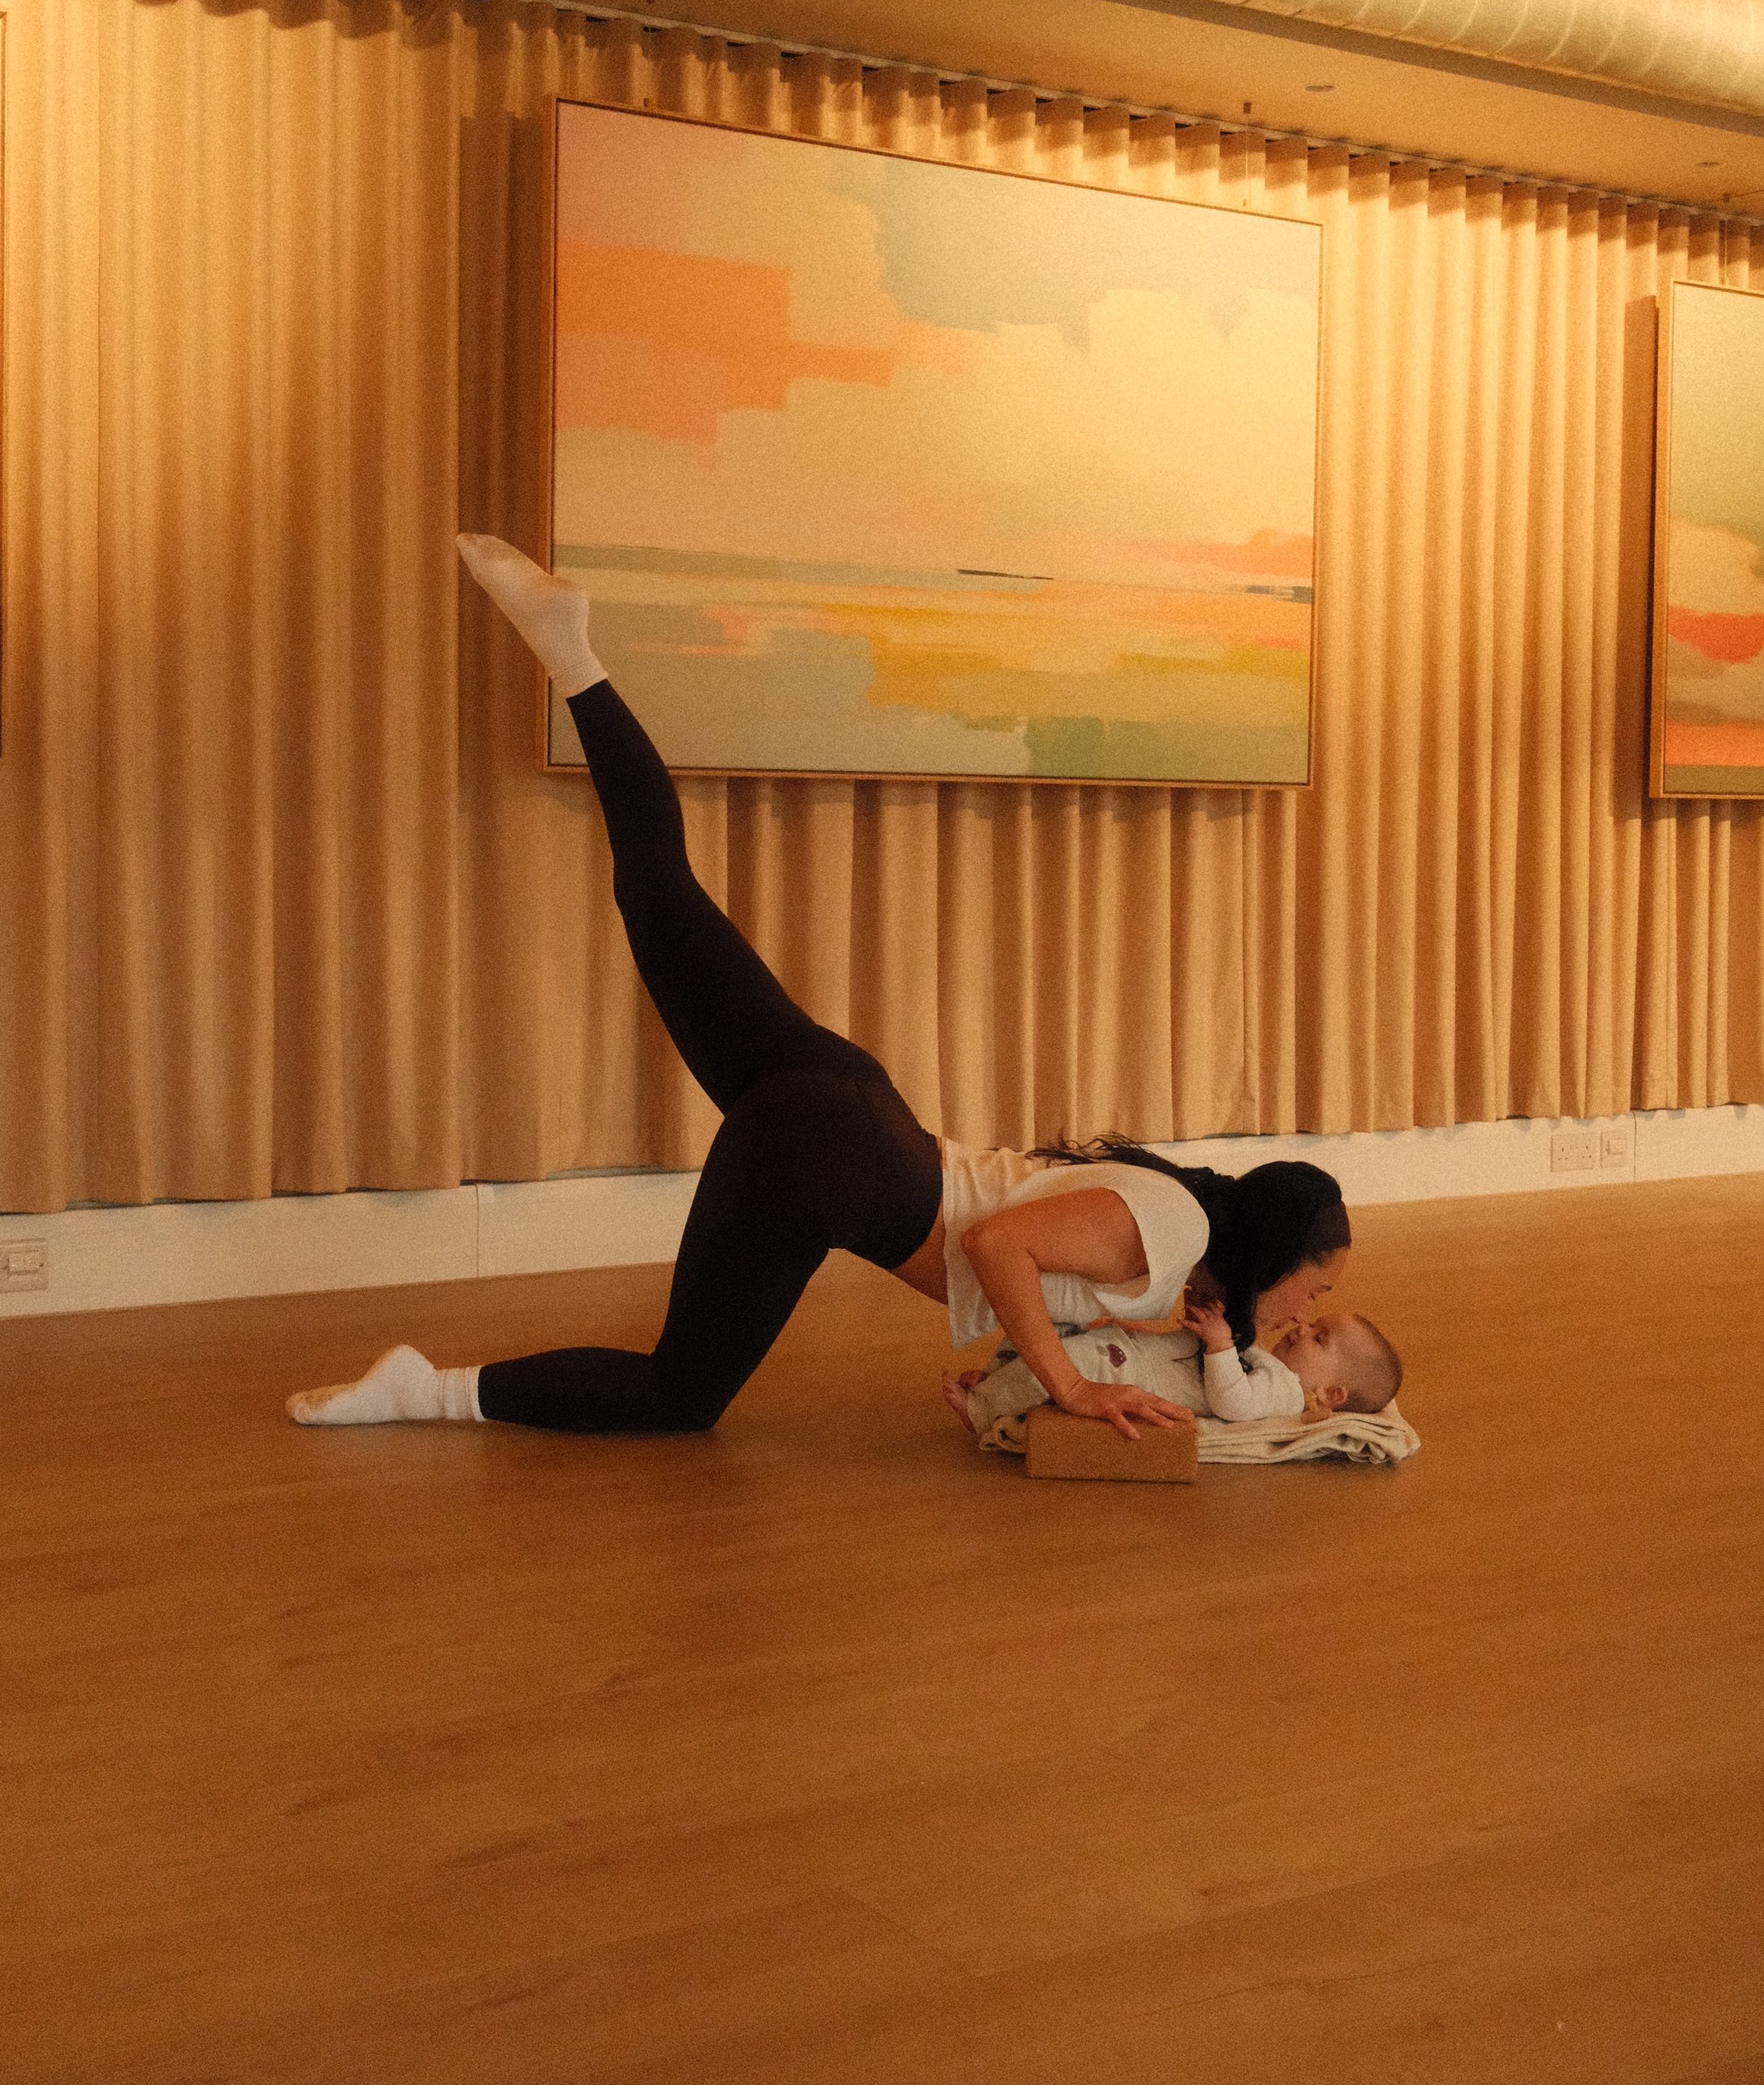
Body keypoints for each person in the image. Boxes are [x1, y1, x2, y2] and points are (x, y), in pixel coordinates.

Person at [289, 539, 1354, 1442]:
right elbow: (995, 1246)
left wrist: (1016, 1387)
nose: (1312, 1308)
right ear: (1273, 1251)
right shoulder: (1168, 1230)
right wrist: (1072, 1389)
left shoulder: (1172, 1235)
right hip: (831, 1154)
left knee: (658, 892)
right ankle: (421, 1387)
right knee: (679, 1394)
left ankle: (573, 657)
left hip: (846, 1102)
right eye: (1317, 1285)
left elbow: (1028, 1279)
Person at [947, 1291, 1404, 1439]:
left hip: (1126, 1373)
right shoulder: (1264, 1356)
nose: (1303, 1326)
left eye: (1320, 1338)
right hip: (1127, 1348)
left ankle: (985, 1409)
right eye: (1314, 1323)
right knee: (1047, 1321)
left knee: (1063, 1361)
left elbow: (1233, 1403)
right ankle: (1000, 1373)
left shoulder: (1283, 1390)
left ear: (1332, 1394)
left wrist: (1223, 1345)